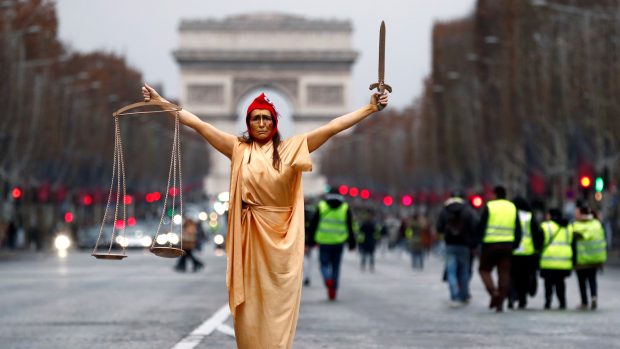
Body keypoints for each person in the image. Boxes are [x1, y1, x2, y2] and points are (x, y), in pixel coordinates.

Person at [142, 83, 388, 348]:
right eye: (255, 118)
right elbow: (199, 124)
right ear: (248, 123)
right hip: (249, 236)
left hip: (282, 239)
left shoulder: (293, 148)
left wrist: (370, 108)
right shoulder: (237, 148)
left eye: (266, 118)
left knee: (277, 305)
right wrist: (161, 102)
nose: (261, 123)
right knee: (249, 304)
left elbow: (332, 127)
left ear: (275, 123)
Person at [476, 185, 522, 312]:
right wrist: (516, 243)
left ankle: (494, 292)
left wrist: (477, 241)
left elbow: (482, 225)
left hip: (490, 245)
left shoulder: (490, 206)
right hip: (507, 244)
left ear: (495, 194)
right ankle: (500, 302)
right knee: (504, 273)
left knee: (483, 269)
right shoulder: (512, 207)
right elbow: (517, 227)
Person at [308, 188, 356, 300]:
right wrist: (352, 243)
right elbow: (350, 226)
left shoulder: (321, 206)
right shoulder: (345, 208)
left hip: (323, 241)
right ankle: (333, 290)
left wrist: (310, 241)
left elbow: (313, 224)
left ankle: (327, 279)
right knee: (336, 266)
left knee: (324, 265)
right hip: (339, 242)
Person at [436, 191, 478, 307]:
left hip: (450, 244)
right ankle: (464, 295)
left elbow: (439, 228)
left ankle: (454, 295)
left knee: (451, 271)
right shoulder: (468, 210)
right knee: (464, 271)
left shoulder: (445, 210)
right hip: (464, 245)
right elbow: (474, 226)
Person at [507, 196, 544, 309]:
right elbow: (536, 233)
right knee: (524, 277)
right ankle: (522, 299)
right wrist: (538, 248)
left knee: (512, 275)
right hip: (527, 252)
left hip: (513, 250)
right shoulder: (529, 216)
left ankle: (511, 296)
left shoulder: (510, 216)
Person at [572, 205, 607, 310]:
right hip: (595, 259)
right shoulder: (597, 224)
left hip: (581, 260)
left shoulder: (576, 226)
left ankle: (584, 302)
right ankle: (594, 296)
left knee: (581, 281)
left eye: (577, 213)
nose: (575, 215)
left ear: (581, 214)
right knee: (592, 279)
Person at [539, 208, 574, 310]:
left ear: (550, 215)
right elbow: (572, 243)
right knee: (560, 283)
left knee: (548, 283)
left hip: (548, 260)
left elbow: (540, 242)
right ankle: (562, 301)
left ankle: (548, 301)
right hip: (564, 261)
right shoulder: (568, 227)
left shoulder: (546, 226)